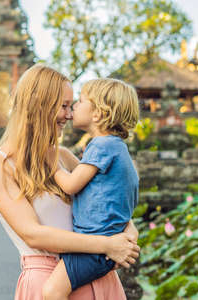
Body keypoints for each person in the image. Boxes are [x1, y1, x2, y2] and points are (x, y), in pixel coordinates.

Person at [0, 64, 140, 300]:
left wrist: (129, 231)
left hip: (98, 277)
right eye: (64, 106)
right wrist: (107, 245)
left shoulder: (63, 156)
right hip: (50, 282)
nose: (70, 114)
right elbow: (33, 234)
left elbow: (110, 196)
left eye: (72, 105)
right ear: (38, 105)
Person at [42, 78, 140, 300]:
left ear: (97, 114)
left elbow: (70, 185)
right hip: (105, 242)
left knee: (52, 292)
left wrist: (52, 163)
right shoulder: (117, 147)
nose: (73, 107)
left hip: (95, 243)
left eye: (80, 101)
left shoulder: (101, 145)